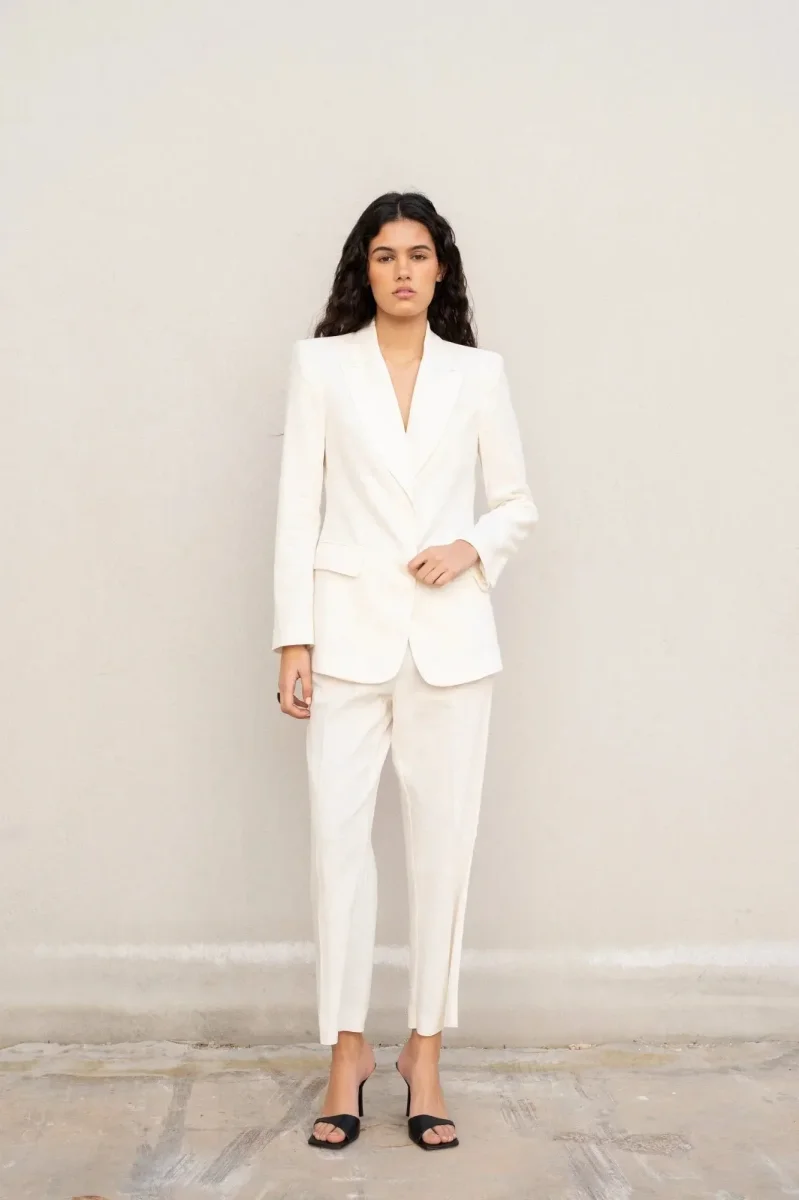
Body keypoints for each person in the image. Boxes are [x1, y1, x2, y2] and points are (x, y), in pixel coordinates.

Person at [272, 191, 538, 1151]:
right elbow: (296, 505)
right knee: (336, 849)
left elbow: (515, 502)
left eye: (417, 255)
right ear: (365, 268)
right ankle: (346, 1054)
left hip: (450, 644)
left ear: (440, 269)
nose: (401, 271)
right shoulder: (319, 366)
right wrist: (292, 638)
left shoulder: (478, 373)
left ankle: (423, 1056)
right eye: (384, 255)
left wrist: (469, 546)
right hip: (345, 639)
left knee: (443, 852)